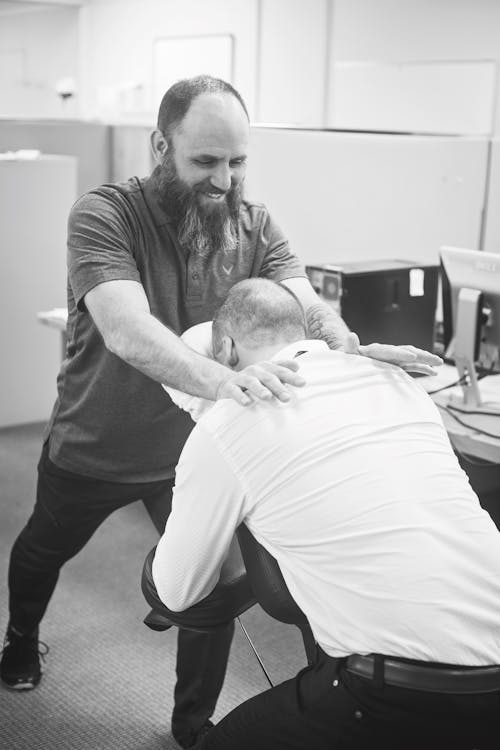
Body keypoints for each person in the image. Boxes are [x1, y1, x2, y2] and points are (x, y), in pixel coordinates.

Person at [0, 75, 440, 749]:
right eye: (206, 161)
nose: (223, 179)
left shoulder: (253, 224)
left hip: (192, 451)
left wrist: (345, 343)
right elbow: (125, 328)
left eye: (236, 162)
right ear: (160, 146)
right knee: (42, 550)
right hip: (98, 441)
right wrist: (222, 382)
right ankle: (21, 636)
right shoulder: (105, 214)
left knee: (211, 590)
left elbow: (304, 301)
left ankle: (191, 724)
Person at [152, 278, 500, 750]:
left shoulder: (228, 424)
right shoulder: (396, 381)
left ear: (225, 349)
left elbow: (177, 592)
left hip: (401, 691)